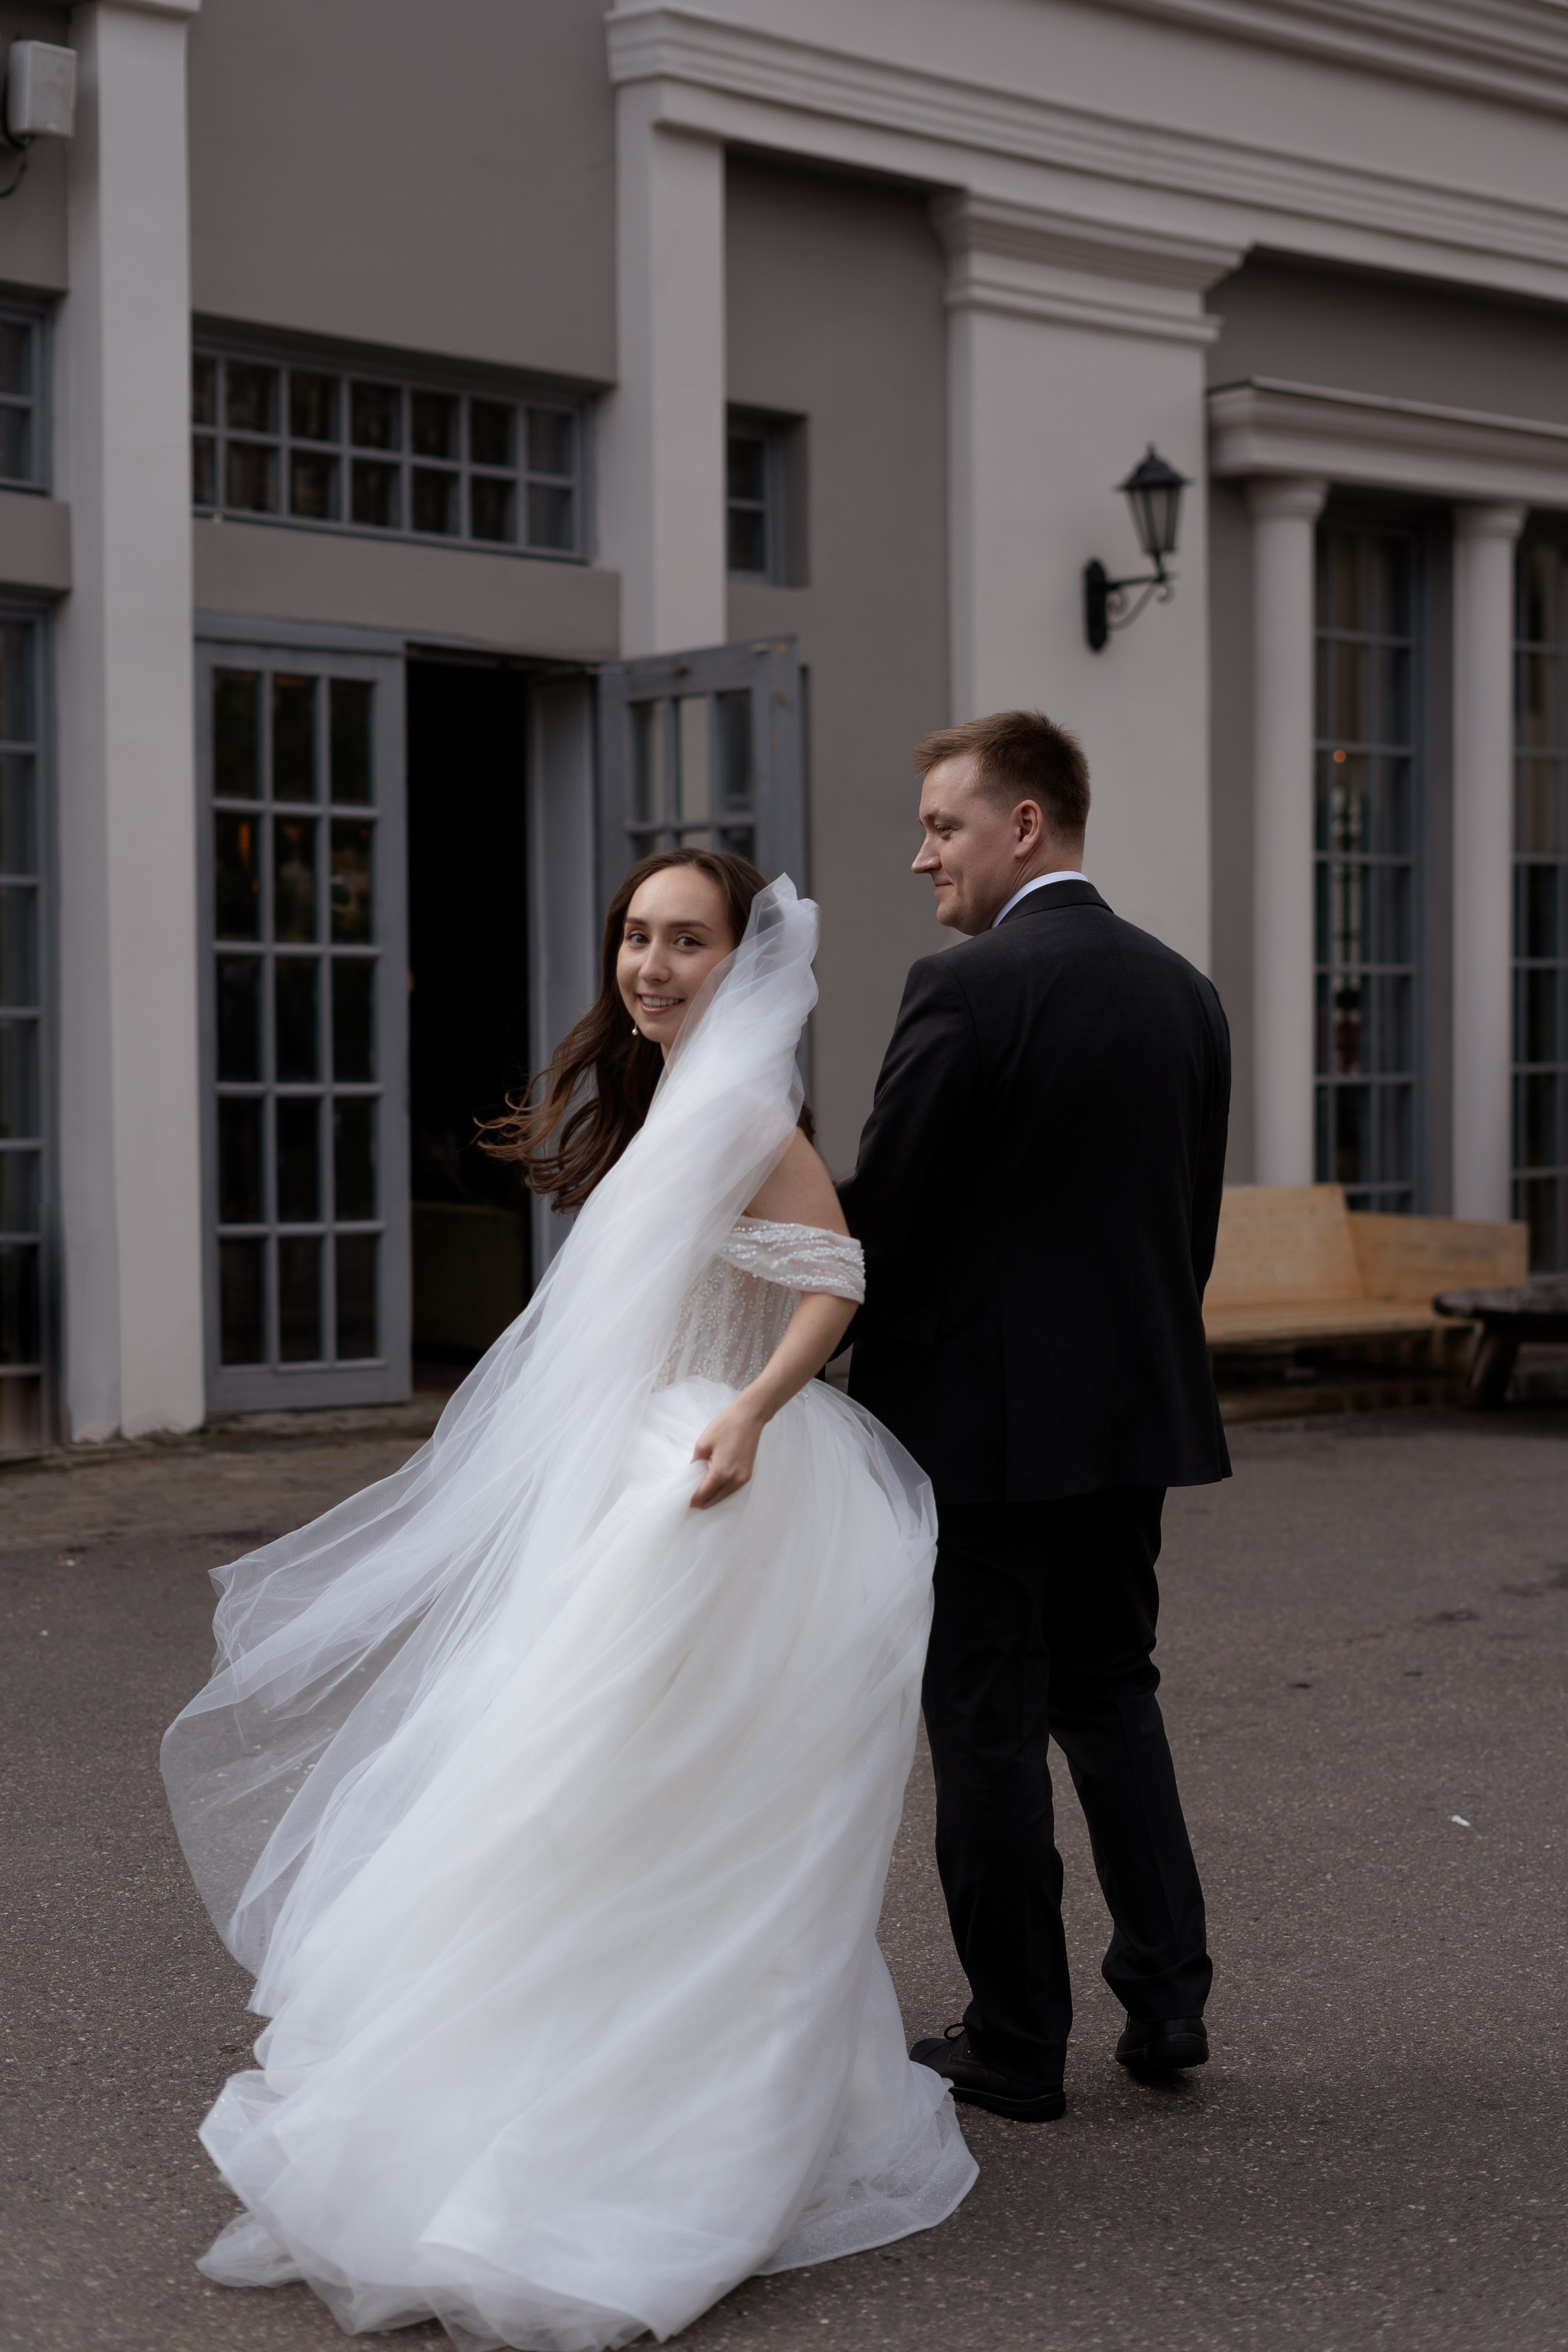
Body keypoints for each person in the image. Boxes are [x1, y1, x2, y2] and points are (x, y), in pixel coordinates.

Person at [162, 851, 975, 2352]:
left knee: (663, 1793)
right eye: (636, 937)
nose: (650, 966)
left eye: (686, 941)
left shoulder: (741, 1111)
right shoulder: (676, 1096)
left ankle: (670, 2118)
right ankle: (549, 2084)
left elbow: (836, 1275)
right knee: (581, 1784)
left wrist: (750, 1412)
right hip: (631, 1474)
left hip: (705, 1478)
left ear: (740, 960)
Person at [840, 710, 1231, 2124]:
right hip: (1132, 1415)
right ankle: (1166, 1998)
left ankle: (1015, 2043)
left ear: (1022, 825)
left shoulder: (962, 990)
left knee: (987, 1725)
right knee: (1111, 1690)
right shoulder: (1185, 993)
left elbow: (884, 1224)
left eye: (940, 827)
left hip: (979, 1433)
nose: (920, 856)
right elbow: (1186, 1228)